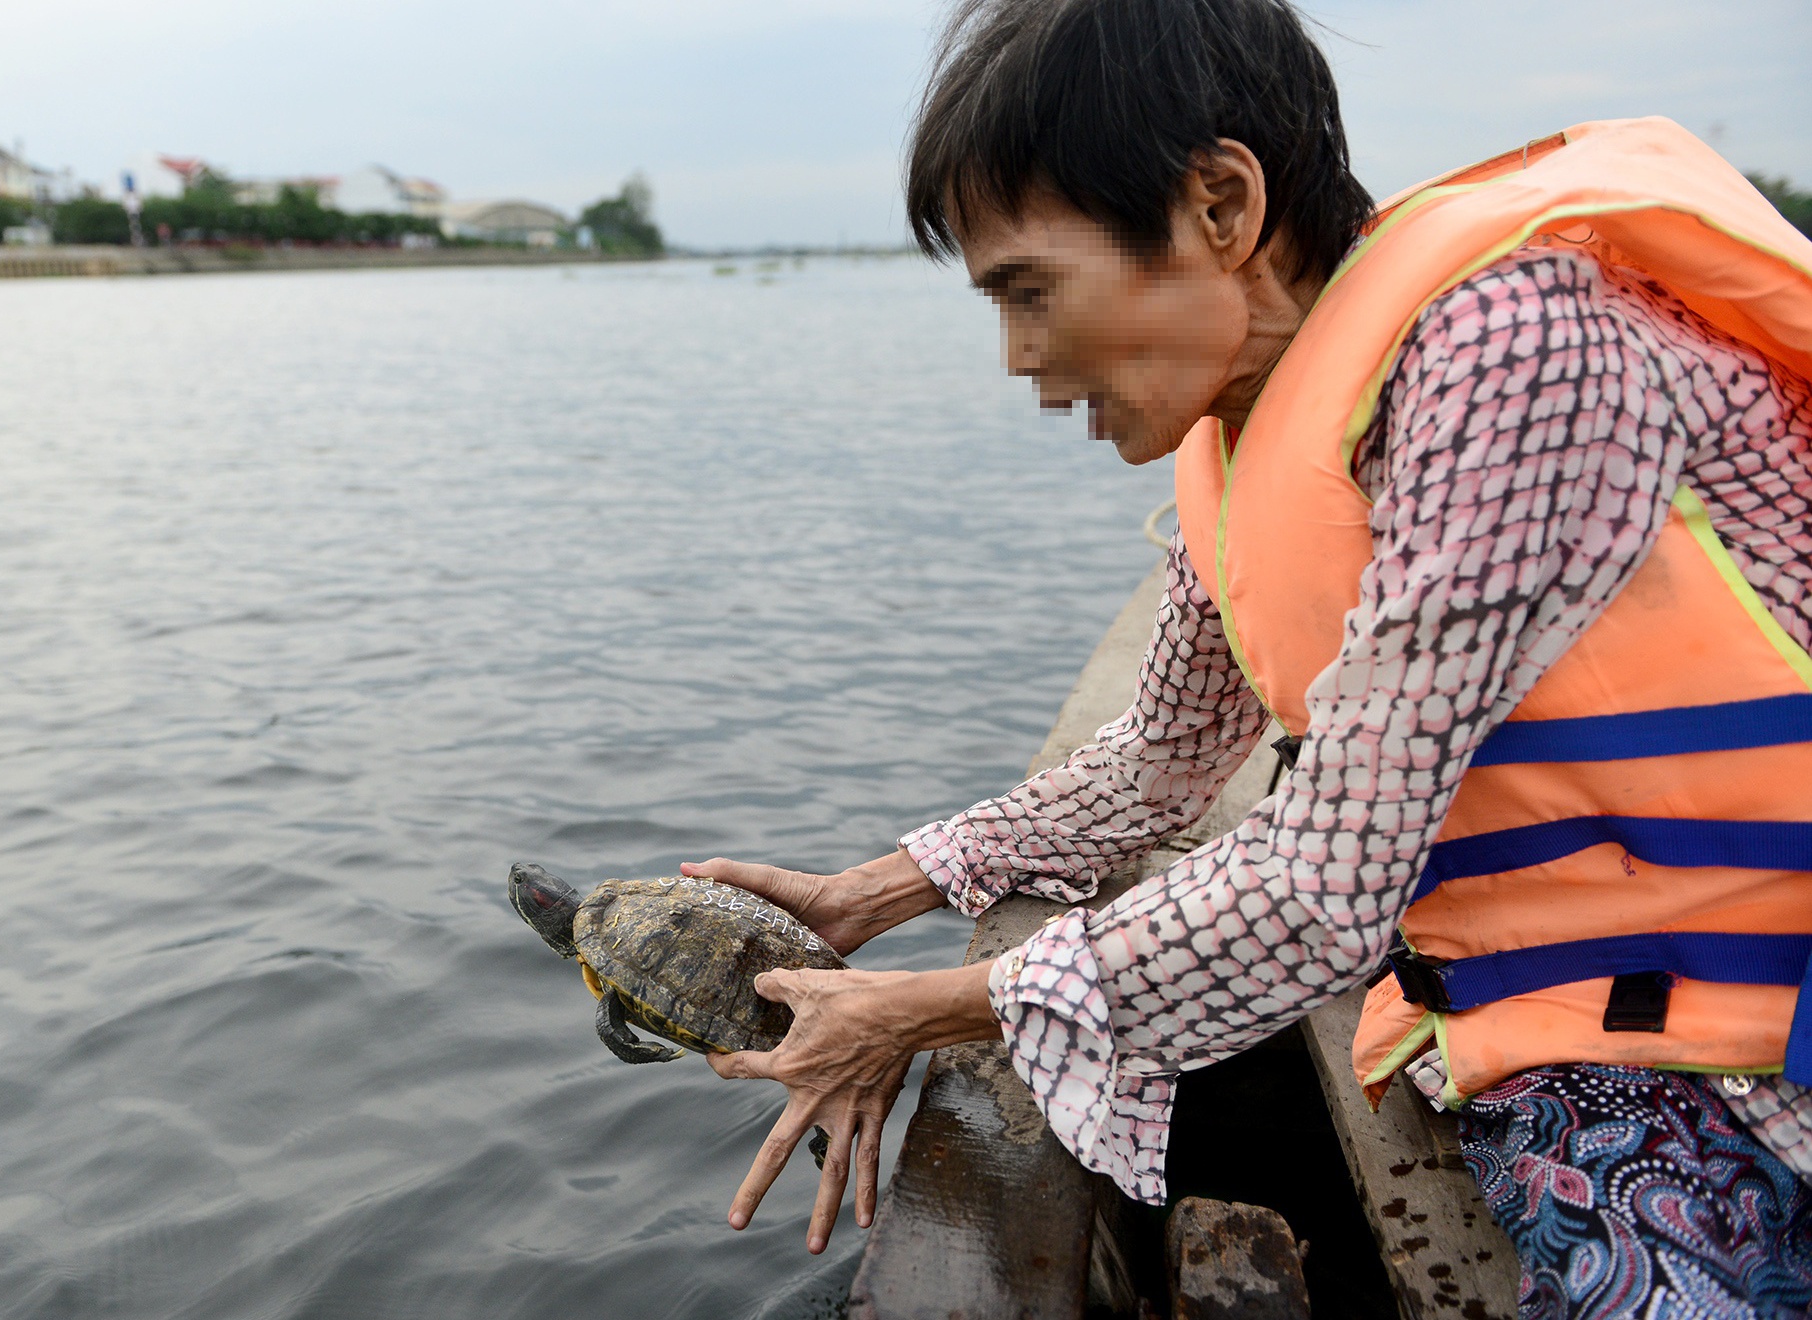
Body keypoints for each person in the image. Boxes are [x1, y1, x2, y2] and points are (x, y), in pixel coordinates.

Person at [683, 0, 1812, 1313]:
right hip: (1584, 1034)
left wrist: (923, 1009)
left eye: (1029, 290)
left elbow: (1327, 886)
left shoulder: (1512, 357)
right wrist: (877, 892)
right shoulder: (1244, 432)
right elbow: (1157, 767)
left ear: (1220, 205)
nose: (1020, 360)